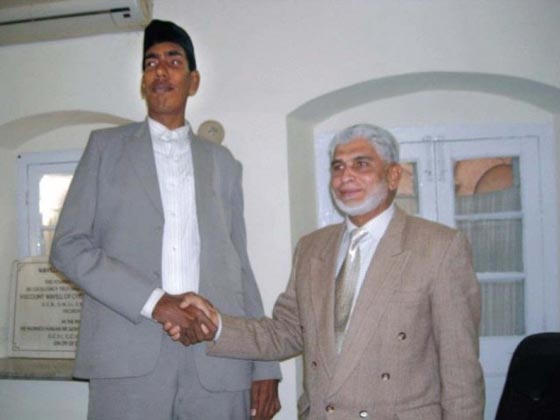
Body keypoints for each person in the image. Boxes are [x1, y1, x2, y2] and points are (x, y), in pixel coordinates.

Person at [167, 124, 485, 419]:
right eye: (338, 167)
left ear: (392, 176)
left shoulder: (439, 247)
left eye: (361, 164)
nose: (345, 176)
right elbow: (286, 333)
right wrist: (216, 324)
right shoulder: (312, 248)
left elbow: (460, 372)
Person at [50, 19, 281, 420]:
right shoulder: (105, 148)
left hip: (217, 358)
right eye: (151, 62)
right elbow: (68, 247)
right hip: (127, 357)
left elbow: (240, 266)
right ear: (143, 82)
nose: (160, 70)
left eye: (174, 61)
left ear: (194, 81)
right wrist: (156, 303)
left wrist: (264, 365)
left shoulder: (223, 163)